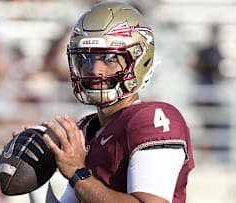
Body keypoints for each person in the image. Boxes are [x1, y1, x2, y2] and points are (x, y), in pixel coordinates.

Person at [19, 2, 194, 203]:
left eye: (109, 59)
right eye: (86, 59)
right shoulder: (87, 129)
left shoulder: (154, 120)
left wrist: (78, 173)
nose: (95, 70)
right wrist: (37, 176)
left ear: (138, 60)